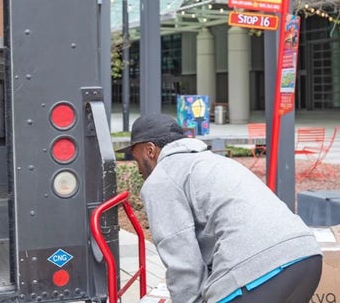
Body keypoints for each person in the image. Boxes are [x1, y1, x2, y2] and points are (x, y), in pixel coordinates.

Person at [120, 114, 322, 302]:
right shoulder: (212, 161)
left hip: (260, 271)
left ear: (150, 150)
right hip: (306, 256)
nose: (138, 169)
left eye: (136, 159)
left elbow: (183, 265)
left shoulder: (162, 178)